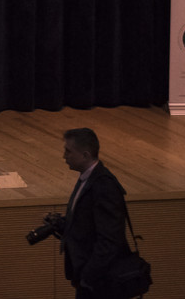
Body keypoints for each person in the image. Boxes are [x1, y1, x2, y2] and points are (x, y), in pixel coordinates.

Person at [53, 127, 130, 296]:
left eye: (68, 151)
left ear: (85, 155)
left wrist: (88, 277)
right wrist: (62, 225)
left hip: (100, 283)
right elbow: (87, 226)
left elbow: (110, 240)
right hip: (89, 277)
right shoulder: (87, 179)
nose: (64, 156)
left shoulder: (104, 186)